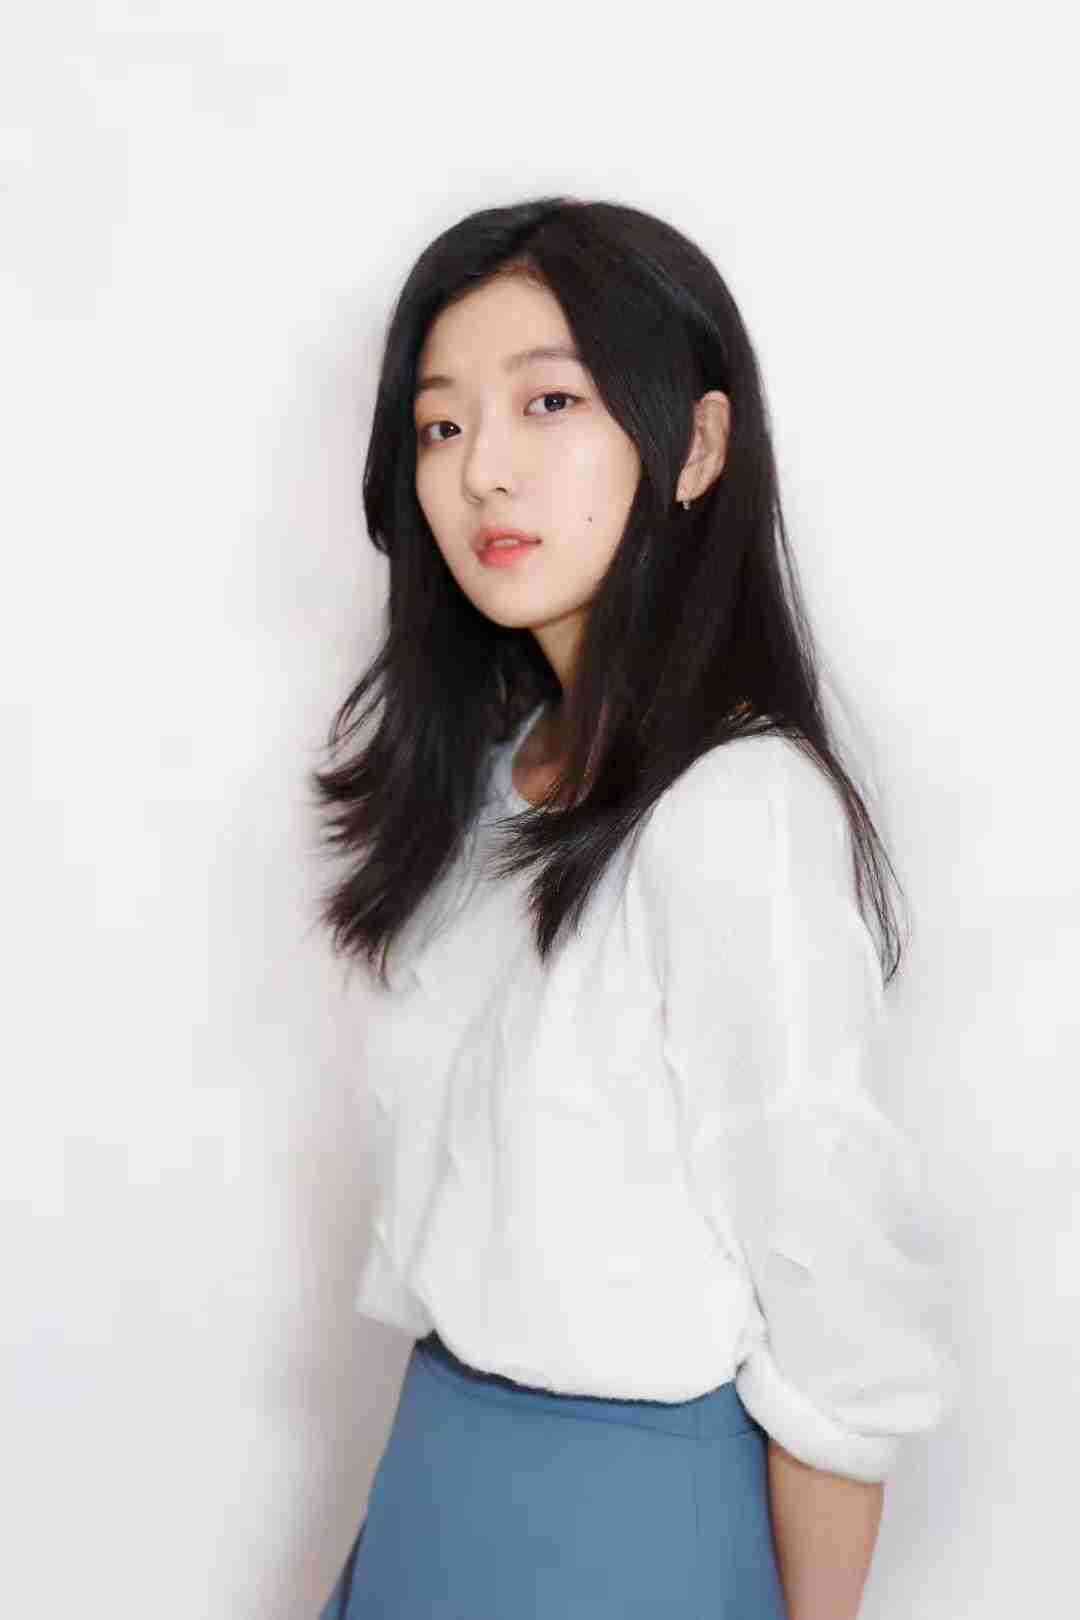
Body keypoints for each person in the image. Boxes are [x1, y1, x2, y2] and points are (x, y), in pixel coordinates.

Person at [309, 196, 958, 1619]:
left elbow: (838, 1316)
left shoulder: (738, 811)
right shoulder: (496, 786)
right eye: (440, 424)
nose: (484, 470)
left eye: (549, 402)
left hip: (621, 1527)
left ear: (699, 446)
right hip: (430, 1479)